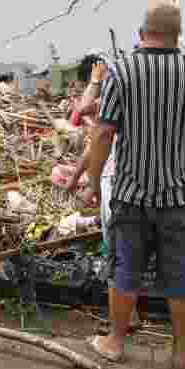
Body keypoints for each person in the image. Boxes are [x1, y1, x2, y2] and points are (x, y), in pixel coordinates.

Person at [82, 2, 185, 369]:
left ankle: (114, 342)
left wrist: (93, 182)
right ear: (178, 35)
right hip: (178, 197)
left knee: (125, 270)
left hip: (130, 193)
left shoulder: (123, 70)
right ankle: (180, 353)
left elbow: (104, 133)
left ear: (142, 33)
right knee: (180, 276)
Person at [64, 53, 142, 331]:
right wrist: (76, 176)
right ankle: (129, 315)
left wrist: (96, 81)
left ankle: (122, 321)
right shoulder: (131, 96)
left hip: (115, 181)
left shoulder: (112, 97)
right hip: (128, 180)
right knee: (126, 250)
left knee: (117, 252)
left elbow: (81, 111)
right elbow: (93, 144)